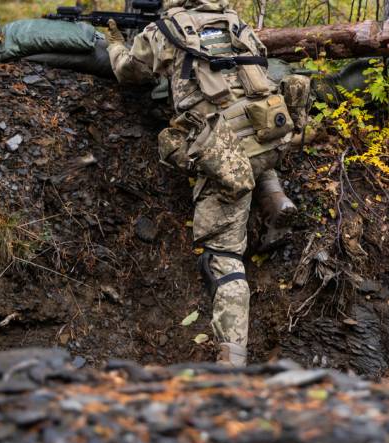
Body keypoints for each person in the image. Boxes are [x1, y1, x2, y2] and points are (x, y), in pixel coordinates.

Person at [104, 0, 310, 366]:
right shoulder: (234, 22)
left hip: (228, 157)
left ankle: (232, 361)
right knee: (249, 144)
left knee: (225, 258)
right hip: (274, 134)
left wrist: (114, 43)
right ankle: (274, 195)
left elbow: (127, 72)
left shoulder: (162, 31)